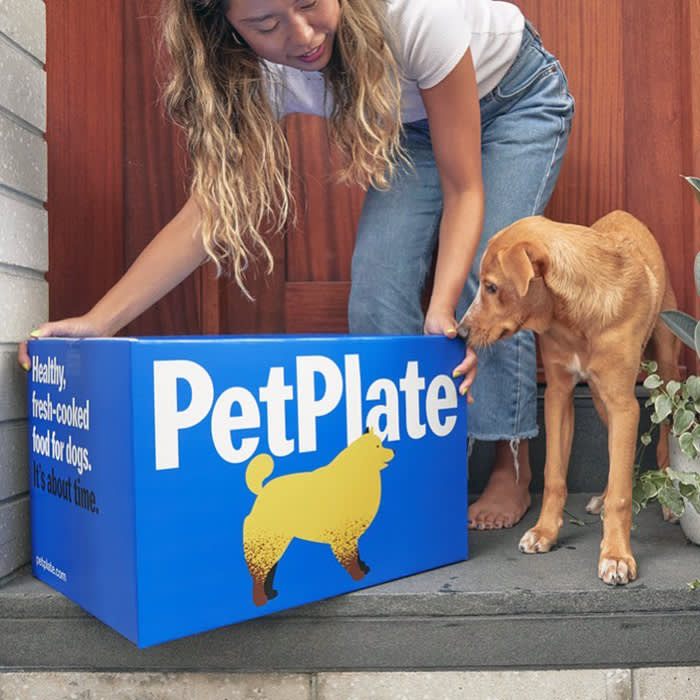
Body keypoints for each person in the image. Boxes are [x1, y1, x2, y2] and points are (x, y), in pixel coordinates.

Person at [18, 0, 574, 531]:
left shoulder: (411, 13)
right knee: (376, 287)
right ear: (228, 29)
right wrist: (100, 321)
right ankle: (411, 465)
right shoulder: (255, 73)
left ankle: (511, 459)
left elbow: (464, 187)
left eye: (309, 3)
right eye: (265, 23)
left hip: (515, 97)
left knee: (490, 275)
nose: (303, 36)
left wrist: (442, 310)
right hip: (415, 129)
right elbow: (210, 212)